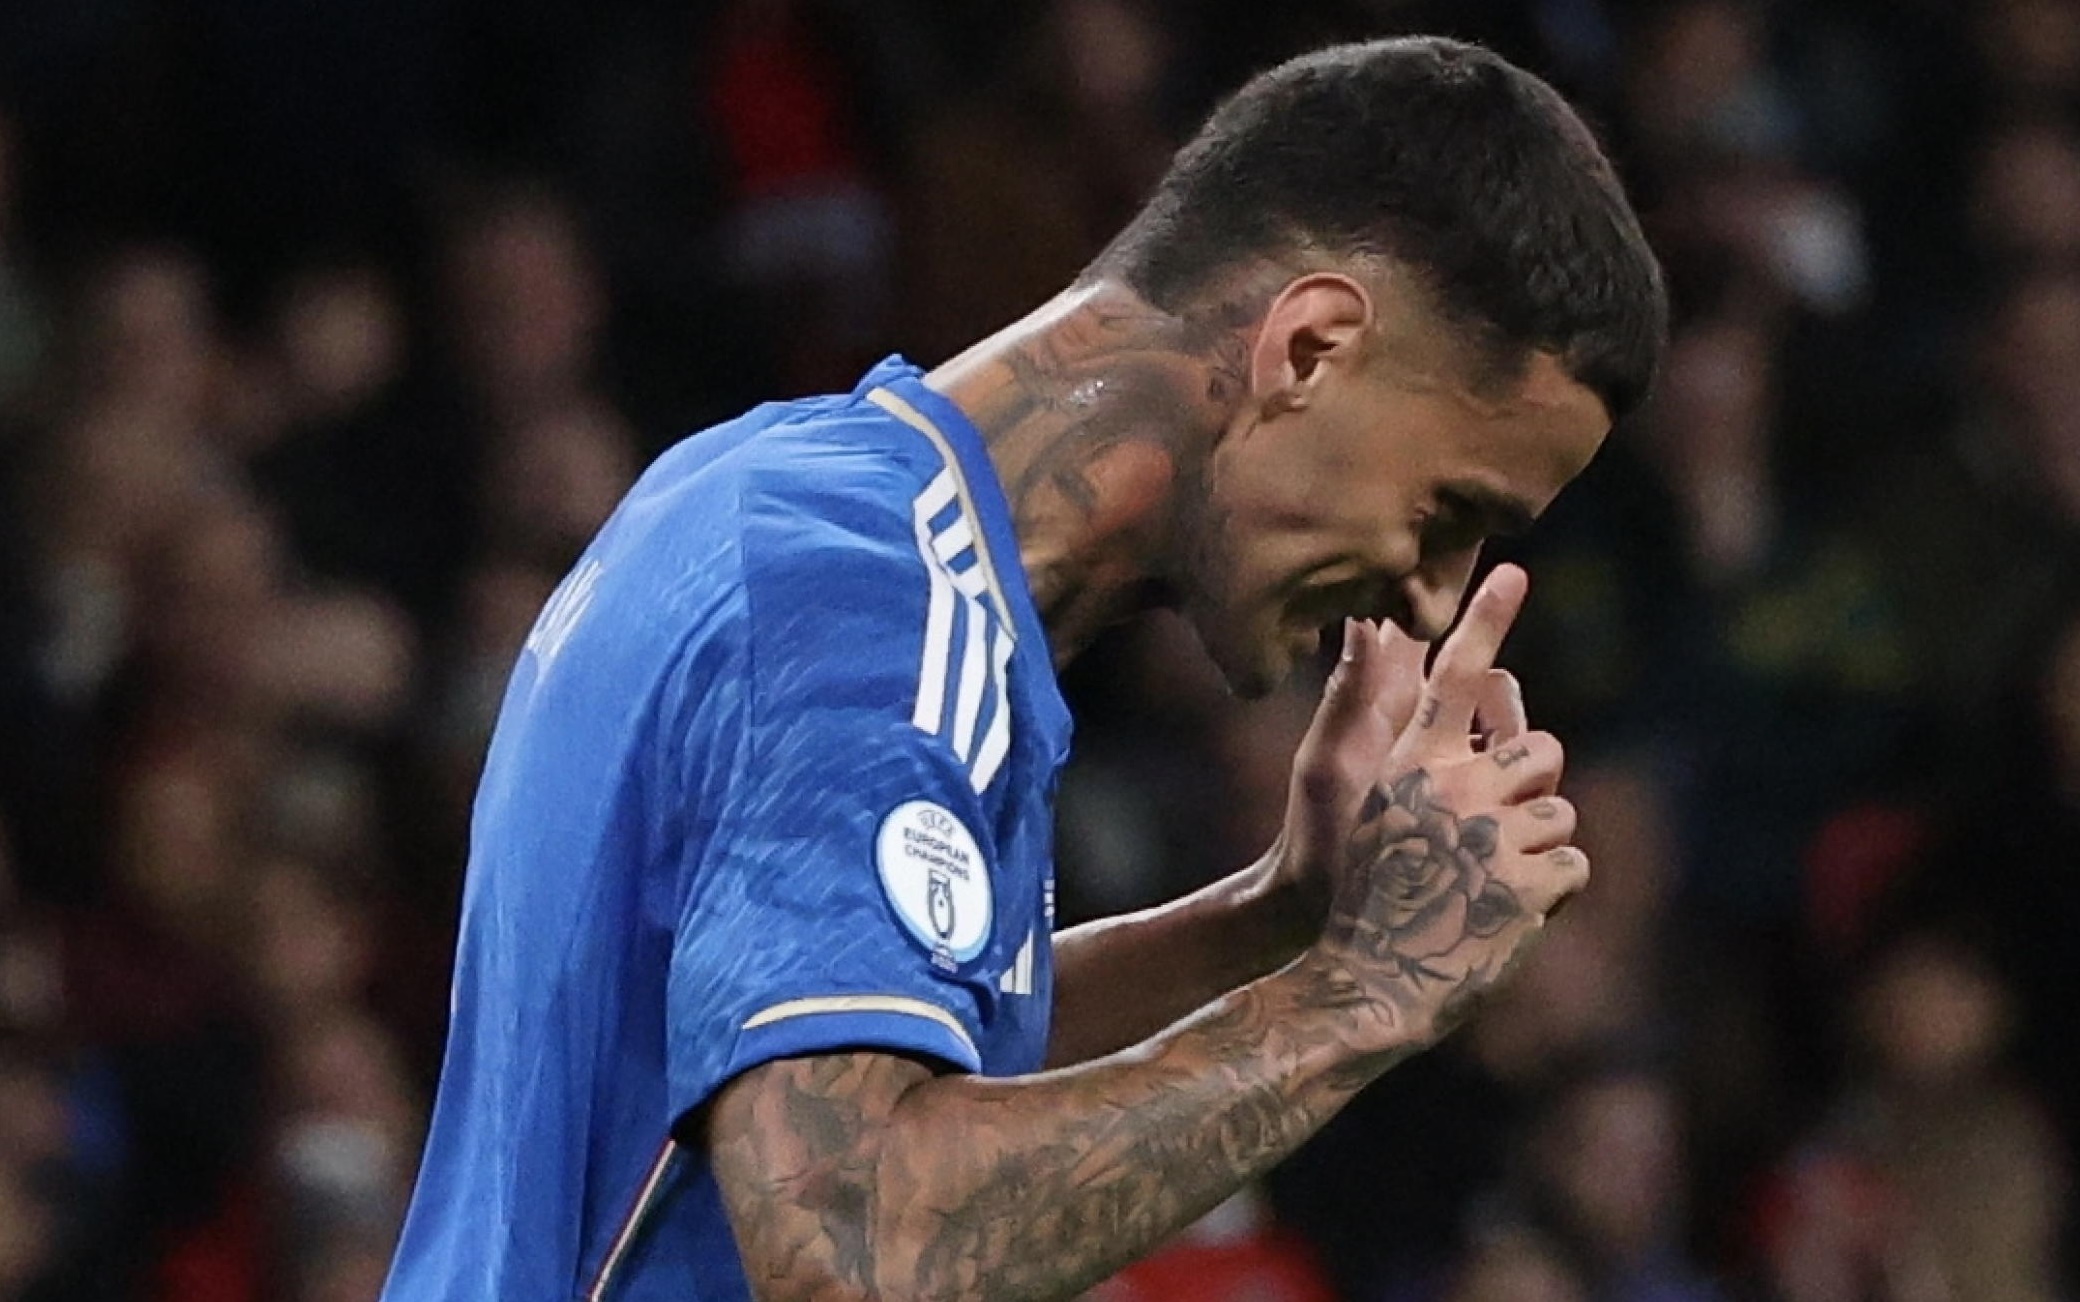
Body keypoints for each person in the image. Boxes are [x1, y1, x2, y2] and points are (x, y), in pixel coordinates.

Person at [379, 35, 1666, 1302]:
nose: (1433, 592)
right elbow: (856, 1244)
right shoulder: (861, 606)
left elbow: (893, 1057)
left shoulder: (786, 495)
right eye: (1444, 509)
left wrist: (1281, 914)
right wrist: (1370, 992)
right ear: (1309, 349)